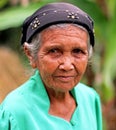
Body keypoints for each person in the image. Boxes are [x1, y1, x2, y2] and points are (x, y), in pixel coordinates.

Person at [0, 2, 102, 130]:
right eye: (54, 51)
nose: (67, 65)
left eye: (78, 51)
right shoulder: (14, 111)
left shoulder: (90, 99)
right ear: (31, 55)